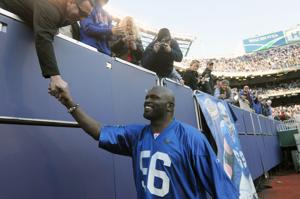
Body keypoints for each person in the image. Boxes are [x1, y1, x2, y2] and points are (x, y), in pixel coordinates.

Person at [50, 85, 238, 199]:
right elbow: (98, 131)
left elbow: (221, 187)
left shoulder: (192, 138)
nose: (147, 101)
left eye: (154, 98)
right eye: (147, 97)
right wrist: (69, 103)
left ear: (169, 106)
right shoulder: (137, 134)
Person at [0, 0, 93, 95]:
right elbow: (44, 37)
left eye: (86, 16)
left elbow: (50, 25)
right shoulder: (51, 4)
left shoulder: (69, 15)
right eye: (81, 13)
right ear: (71, 2)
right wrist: (55, 77)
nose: (82, 19)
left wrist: (52, 27)